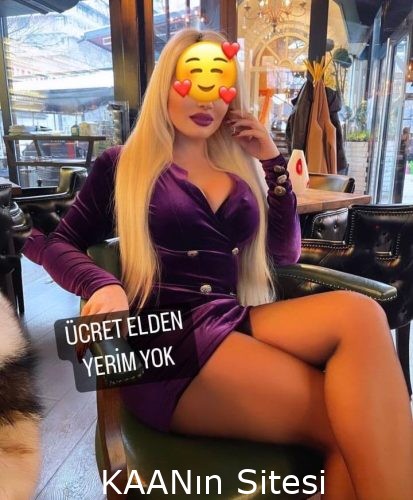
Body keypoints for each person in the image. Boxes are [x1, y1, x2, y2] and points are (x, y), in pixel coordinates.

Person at [24, 29, 413, 499]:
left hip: (229, 318)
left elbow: (282, 256)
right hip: (167, 344)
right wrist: (103, 284)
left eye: (221, 84)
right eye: (192, 80)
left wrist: (272, 163)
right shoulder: (123, 164)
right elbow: (56, 243)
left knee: (362, 314)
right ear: (166, 85)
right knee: (351, 428)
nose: (206, 97)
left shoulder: (238, 167)